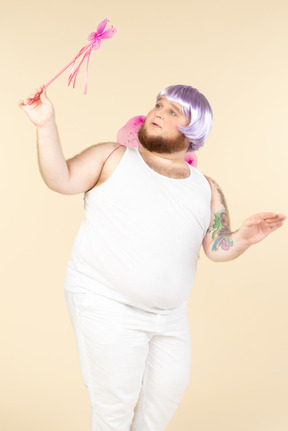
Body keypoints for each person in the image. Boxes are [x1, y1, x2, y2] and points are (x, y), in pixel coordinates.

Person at [19, 84, 285, 431]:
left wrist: (245, 238)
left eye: (173, 111)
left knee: (163, 401)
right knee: (114, 405)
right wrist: (45, 125)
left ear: (194, 131)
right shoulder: (112, 157)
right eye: (158, 104)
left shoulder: (206, 187)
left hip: (169, 317)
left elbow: (217, 247)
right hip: (106, 302)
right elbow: (60, 178)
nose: (158, 112)